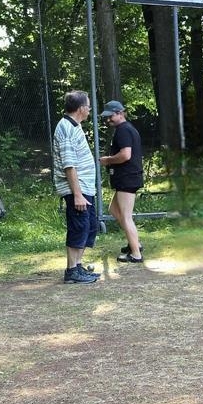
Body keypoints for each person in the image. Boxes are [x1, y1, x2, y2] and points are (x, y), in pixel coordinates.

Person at [52, 90, 99, 284]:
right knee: (79, 228)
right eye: (88, 106)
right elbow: (69, 165)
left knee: (90, 226)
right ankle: (71, 271)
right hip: (76, 190)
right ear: (81, 108)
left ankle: (78, 267)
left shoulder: (74, 126)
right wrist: (77, 194)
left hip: (85, 188)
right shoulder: (66, 128)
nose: (89, 109)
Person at [99, 100, 144, 263]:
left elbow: (125, 155)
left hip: (127, 178)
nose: (108, 120)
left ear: (120, 113)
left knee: (125, 216)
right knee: (113, 210)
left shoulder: (123, 130)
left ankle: (136, 254)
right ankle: (135, 243)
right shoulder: (125, 129)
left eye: (110, 116)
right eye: (106, 117)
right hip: (126, 178)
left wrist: (108, 160)